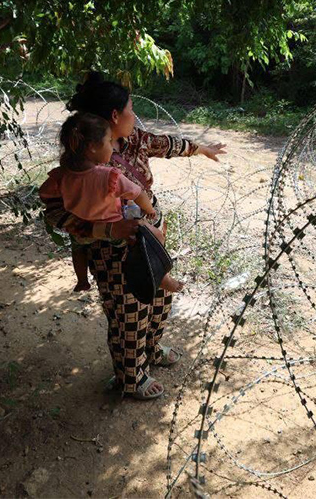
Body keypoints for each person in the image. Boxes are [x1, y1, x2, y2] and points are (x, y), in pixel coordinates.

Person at [41, 73, 226, 400]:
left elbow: (167, 143)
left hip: (147, 237)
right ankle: (131, 377)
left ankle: (150, 351)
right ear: (114, 116)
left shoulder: (134, 140)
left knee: (158, 300)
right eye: (130, 108)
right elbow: (55, 212)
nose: (134, 115)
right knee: (128, 314)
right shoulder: (83, 159)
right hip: (111, 250)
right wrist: (106, 229)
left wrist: (202, 149)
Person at [38, 112, 183, 294]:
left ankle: (82, 280)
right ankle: (162, 277)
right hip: (114, 227)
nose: (111, 147)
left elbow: (44, 194)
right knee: (156, 236)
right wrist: (149, 209)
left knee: (78, 251)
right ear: (92, 147)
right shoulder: (109, 176)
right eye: (108, 142)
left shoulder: (60, 175)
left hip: (83, 232)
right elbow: (138, 193)